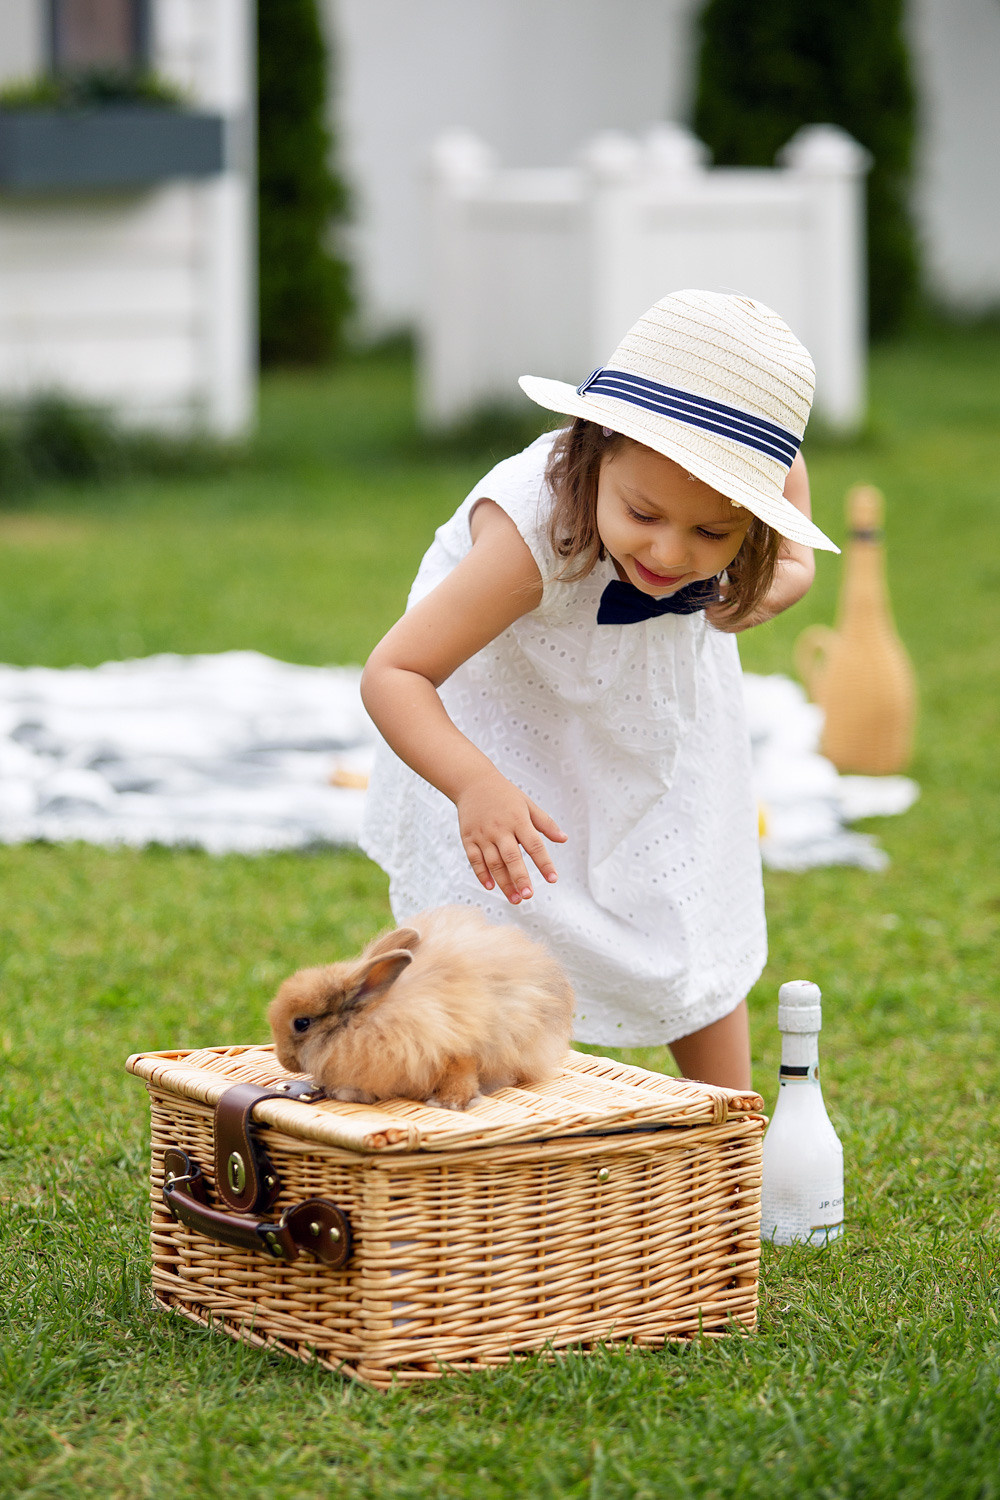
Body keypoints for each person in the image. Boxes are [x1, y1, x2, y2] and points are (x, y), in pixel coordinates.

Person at [360, 289, 839, 1090]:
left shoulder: (722, 512)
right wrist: (474, 784)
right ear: (595, 450)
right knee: (492, 938)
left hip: (655, 728)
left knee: (691, 914)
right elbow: (394, 673)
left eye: (713, 533)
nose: (669, 551)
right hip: (506, 735)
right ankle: (481, 1140)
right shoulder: (530, 534)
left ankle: (728, 1135)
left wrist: (788, 570)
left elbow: (786, 471)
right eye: (643, 512)